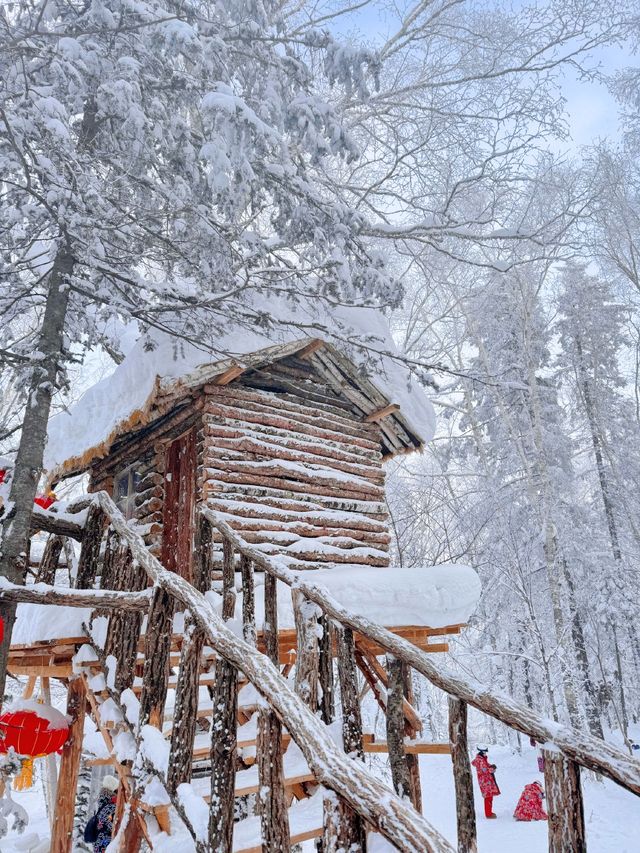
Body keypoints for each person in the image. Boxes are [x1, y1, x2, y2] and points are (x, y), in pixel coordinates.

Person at [84, 775, 119, 852]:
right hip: (106, 846)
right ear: (113, 791)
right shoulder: (111, 806)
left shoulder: (102, 803)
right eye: (117, 791)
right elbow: (113, 826)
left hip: (99, 845)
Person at [471, 745, 500, 818]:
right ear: (481, 752)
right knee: (488, 797)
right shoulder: (481, 760)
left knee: (489, 797)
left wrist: (490, 766)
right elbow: (485, 770)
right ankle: (488, 814)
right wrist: (492, 768)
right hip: (485, 781)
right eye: (485, 753)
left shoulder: (481, 759)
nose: (486, 754)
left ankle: (489, 812)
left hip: (485, 781)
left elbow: (486, 766)